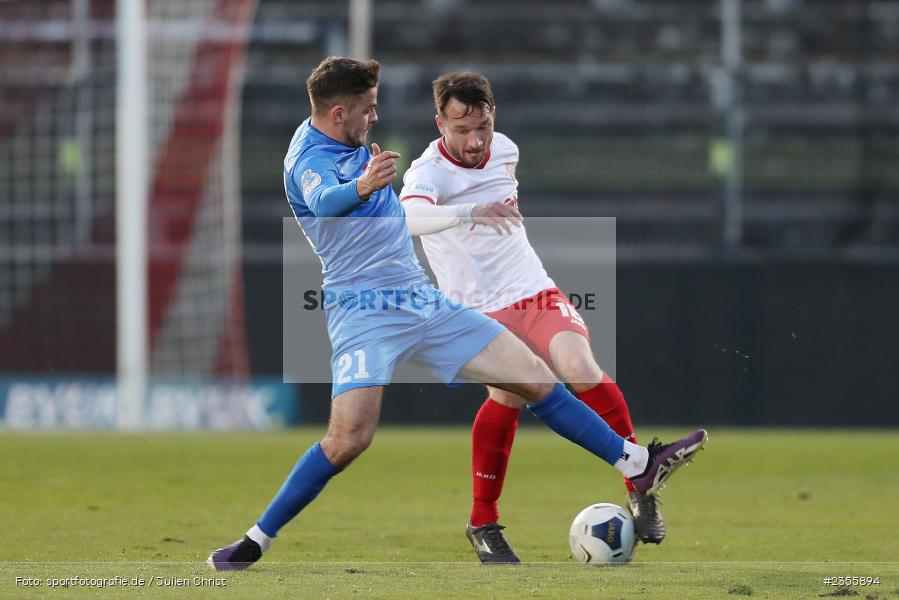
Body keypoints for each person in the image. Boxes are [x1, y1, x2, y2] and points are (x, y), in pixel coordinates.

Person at [207, 57, 706, 571]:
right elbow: (326, 203)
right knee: (349, 438)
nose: (374, 117)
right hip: (363, 310)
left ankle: (637, 464)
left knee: (533, 376)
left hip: (421, 299)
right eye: (368, 109)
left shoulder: (345, 135)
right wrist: (363, 186)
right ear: (339, 113)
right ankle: (255, 540)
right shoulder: (310, 160)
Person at [399, 71, 669, 562]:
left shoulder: (506, 149)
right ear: (440, 123)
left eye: (481, 126)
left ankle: (638, 480)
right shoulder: (426, 173)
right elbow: (408, 218)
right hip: (477, 309)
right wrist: (469, 212)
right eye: (461, 130)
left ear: (492, 116)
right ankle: (482, 523)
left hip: (533, 290)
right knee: (506, 397)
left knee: (579, 366)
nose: (474, 140)